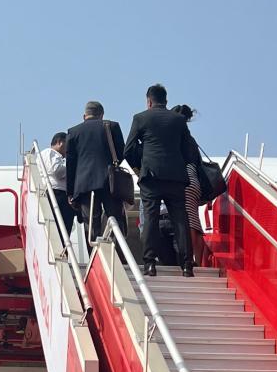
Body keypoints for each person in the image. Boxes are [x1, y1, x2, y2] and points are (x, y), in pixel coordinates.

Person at [123, 84, 198, 277]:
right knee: (180, 220)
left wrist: (141, 166)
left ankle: (149, 263)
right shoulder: (179, 120)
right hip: (176, 178)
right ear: (166, 101)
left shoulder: (140, 118)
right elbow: (190, 151)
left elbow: (128, 150)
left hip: (151, 176)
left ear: (148, 101)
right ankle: (187, 265)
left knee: (151, 219)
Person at [65, 101, 127, 246]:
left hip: (84, 183)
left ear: (84, 116)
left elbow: (71, 164)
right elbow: (121, 154)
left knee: (91, 223)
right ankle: (116, 252)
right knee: (115, 218)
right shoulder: (112, 126)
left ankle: (94, 256)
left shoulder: (73, 132)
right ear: (102, 115)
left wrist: (70, 192)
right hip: (110, 181)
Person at [170, 104, 210, 265]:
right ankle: (199, 260)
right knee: (195, 221)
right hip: (194, 179)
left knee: (188, 222)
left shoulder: (175, 137)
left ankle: (192, 259)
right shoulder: (191, 139)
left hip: (183, 178)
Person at [40, 132, 78, 241]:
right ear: (60, 142)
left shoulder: (54, 155)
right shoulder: (50, 153)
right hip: (57, 193)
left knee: (64, 230)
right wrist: (71, 164)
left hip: (59, 194)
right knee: (62, 229)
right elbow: (58, 171)